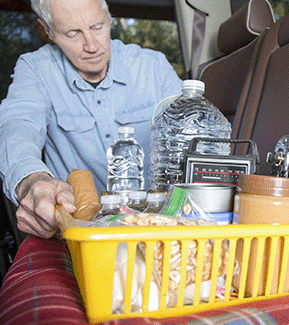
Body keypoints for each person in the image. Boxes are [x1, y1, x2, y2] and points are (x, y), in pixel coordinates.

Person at [0, 0, 182, 239]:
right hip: (81, 234)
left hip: (158, 224)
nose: (92, 45)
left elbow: (190, 136)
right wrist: (31, 181)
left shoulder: (153, 66)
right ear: (48, 31)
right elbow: (18, 123)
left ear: (108, 19)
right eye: (73, 33)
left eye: (97, 27)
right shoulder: (35, 69)